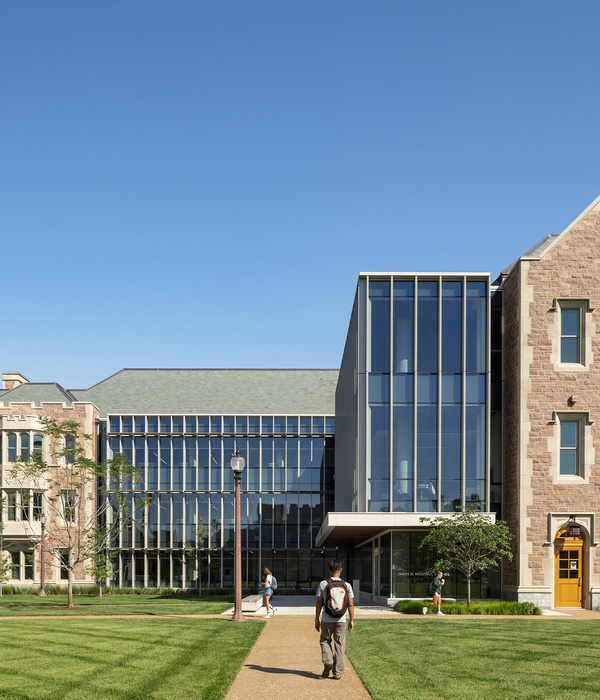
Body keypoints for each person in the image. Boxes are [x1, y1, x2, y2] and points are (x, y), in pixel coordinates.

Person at [315, 559, 354, 680]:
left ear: (329, 570)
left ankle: (328, 662)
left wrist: (317, 619)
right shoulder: (347, 585)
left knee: (325, 640)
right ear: (341, 570)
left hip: (327, 618)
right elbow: (351, 605)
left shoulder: (323, 584)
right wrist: (351, 620)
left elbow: (319, 603)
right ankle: (337, 673)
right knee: (340, 645)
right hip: (341, 620)